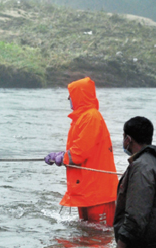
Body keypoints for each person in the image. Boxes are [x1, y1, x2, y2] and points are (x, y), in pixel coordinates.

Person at [44, 77, 118, 226]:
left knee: (99, 238)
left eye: (70, 96)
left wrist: (62, 157)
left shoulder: (91, 117)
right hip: (87, 189)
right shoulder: (82, 118)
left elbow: (79, 152)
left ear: (79, 95)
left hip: (98, 193)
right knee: (86, 235)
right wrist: (61, 155)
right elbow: (80, 148)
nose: (69, 100)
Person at [114, 116, 156, 248]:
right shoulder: (151, 160)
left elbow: (136, 216)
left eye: (123, 137)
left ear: (128, 139)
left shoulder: (141, 167)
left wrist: (121, 244)